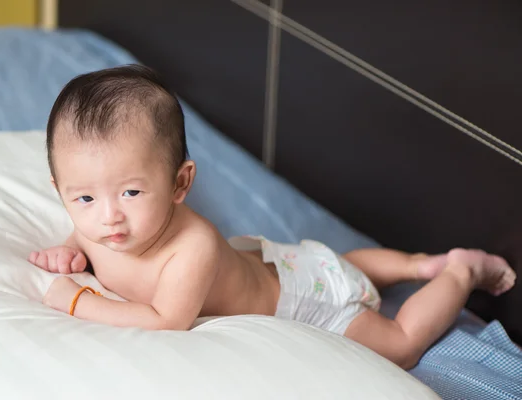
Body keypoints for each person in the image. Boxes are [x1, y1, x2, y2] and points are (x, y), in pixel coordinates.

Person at [28, 65, 516, 370]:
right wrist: (68, 251)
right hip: (285, 263)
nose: (109, 218)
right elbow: (83, 236)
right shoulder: (98, 226)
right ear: (62, 192)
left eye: (132, 192)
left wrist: (77, 302)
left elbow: (164, 322)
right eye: (84, 200)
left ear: (181, 183)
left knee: (400, 345)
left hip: (301, 300)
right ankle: (412, 265)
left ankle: (456, 270)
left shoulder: (189, 246)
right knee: (338, 264)